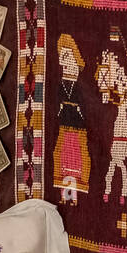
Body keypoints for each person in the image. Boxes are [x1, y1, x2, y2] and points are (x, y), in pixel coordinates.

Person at [53, 34, 91, 202]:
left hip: (77, 126)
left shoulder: (80, 86)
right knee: (62, 157)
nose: (62, 61)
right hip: (65, 125)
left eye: (66, 56)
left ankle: (73, 195)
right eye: (61, 56)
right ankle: (64, 194)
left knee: (76, 160)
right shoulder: (61, 83)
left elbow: (85, 105)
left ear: (75, 59)